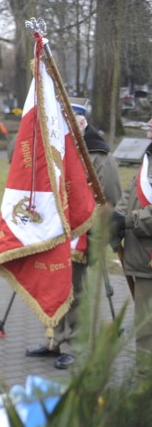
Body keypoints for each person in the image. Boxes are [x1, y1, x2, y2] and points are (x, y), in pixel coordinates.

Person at [25, 98, 122, 369]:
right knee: (53, 287)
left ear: (82, 122)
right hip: (55, 232)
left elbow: (110, 198)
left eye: (72, 124)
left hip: (83, 235)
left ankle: (76, 346)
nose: (68, 129)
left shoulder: (98, 154)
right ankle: (55, 340)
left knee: (76, 292)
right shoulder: (57, 148)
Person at [112, 115, 152, 370]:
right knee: (144, 325)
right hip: (141, 257)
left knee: (147, 328)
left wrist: (129, 220)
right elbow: (131, 191)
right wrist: (117, 218)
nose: (148, 121)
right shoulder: (148, 156)